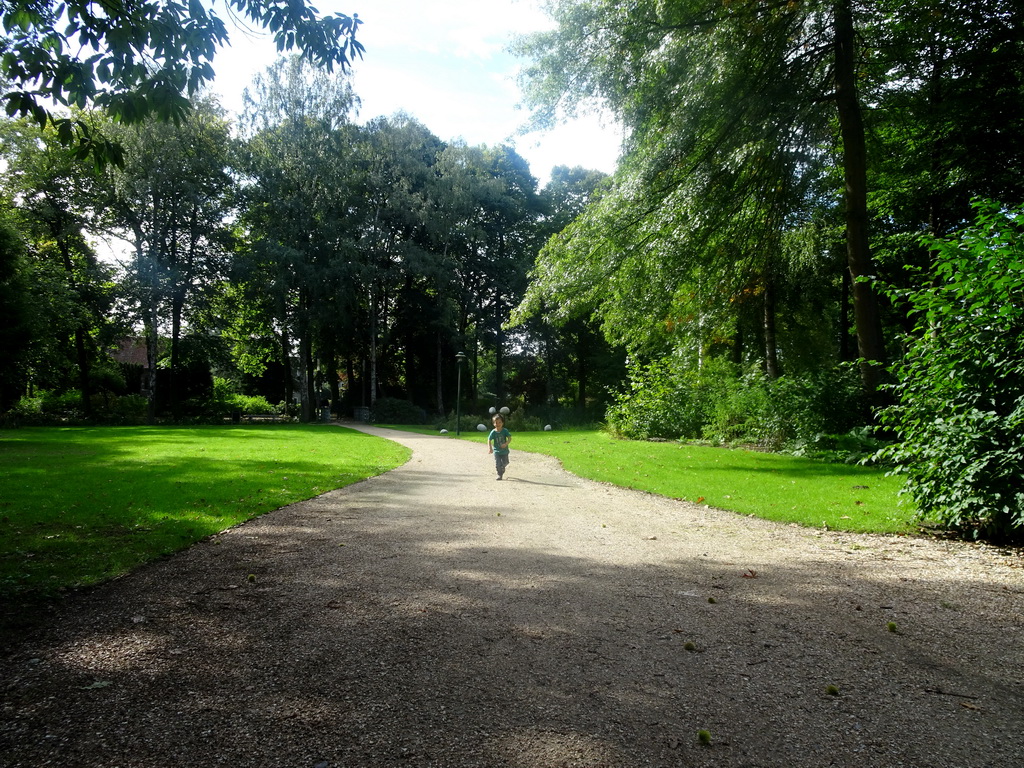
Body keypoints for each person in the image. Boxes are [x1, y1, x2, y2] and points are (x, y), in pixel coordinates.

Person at [487, 413, 512, 480]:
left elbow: (509, 438)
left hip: (504, 451)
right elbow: (489, 439)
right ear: (493, 424)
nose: (498, 424)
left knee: (505, 462)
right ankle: (499, 475)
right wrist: (490, 448)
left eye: (499, 422)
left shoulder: (505, 431)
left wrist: (506, 444)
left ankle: (503, 468)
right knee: (498, 464)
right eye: (496, 423)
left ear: (502, 423)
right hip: (497, 451)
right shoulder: (493, 432)